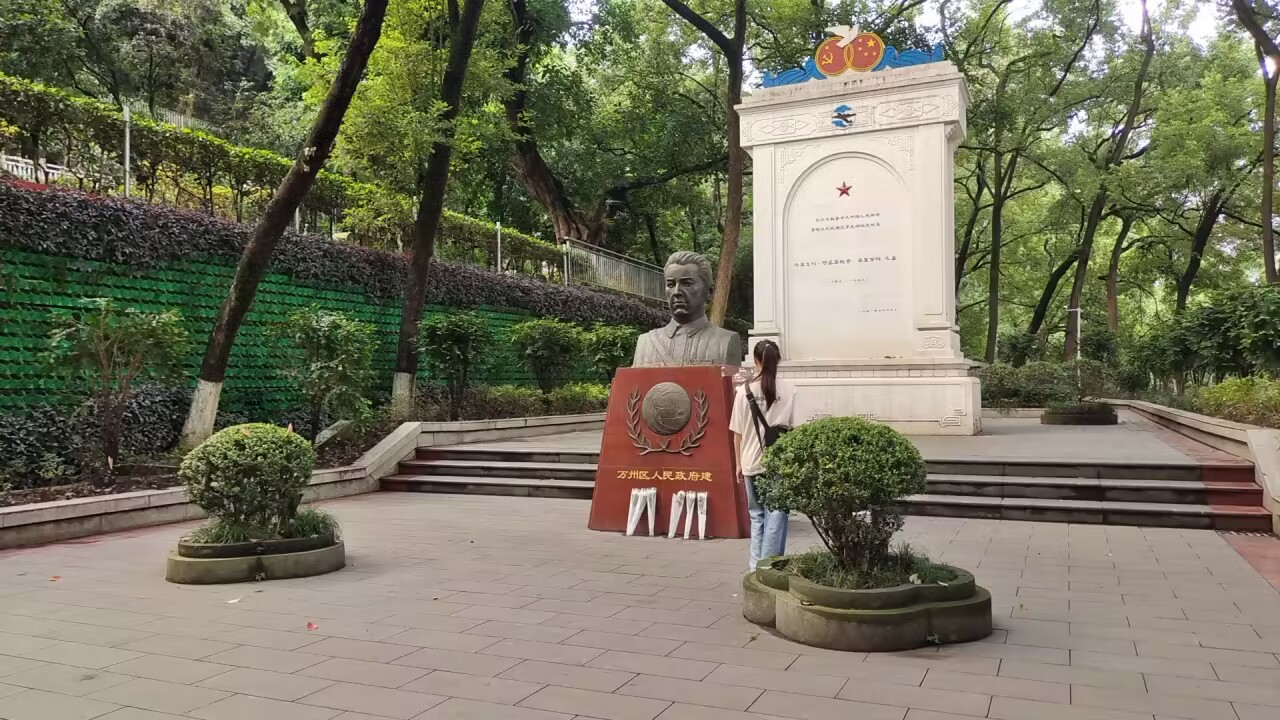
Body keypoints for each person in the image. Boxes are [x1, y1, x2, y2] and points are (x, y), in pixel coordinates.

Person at [730, 340, 793, 571]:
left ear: (755, 360)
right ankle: (769, 568)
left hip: (750, 460)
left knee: (757, 516)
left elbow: (737, 433)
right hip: (779, 462)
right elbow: (795, 428)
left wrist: (738, 464)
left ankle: (755, 567)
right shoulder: (790, 390)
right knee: (777, 513)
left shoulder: (743, 391)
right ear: (778, 360)